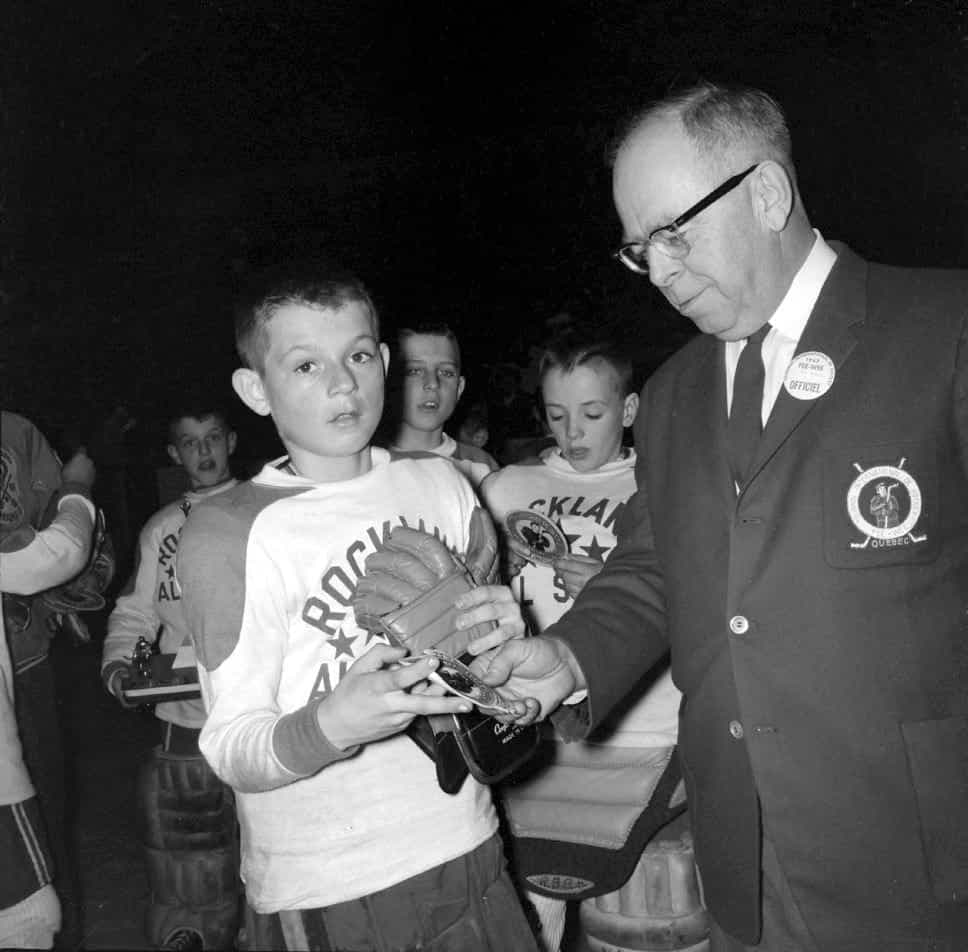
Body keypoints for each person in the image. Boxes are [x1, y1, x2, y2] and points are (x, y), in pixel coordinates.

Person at [477, 81, 968, 951]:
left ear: (768, 193)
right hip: (741, 856)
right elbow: (660, 566)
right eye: (639, 251)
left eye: (675, 233)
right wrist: (568, 655)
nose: (660, 273)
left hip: (920, 854)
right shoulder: (672, 394)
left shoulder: (943, 329)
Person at [176, 263, 538, 951]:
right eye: (306, 365)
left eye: (359, 355)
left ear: (386, 363)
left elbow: (488, 680)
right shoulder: (229, 532)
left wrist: (504, 657)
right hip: (332, 884)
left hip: (468, 842)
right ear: (256, 389)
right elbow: (230, 745)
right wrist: (332, 723)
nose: (343, 383)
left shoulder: (444, 485)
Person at [480, 334, 684, 951]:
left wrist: (616, 588)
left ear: (628, 410)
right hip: (533, 744)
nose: (573, 431)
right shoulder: (502, 489)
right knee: (529, 929)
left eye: (592, 413)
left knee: (640, 928)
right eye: (557, 414)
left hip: (648, 736)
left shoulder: (665, 487)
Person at [100, 406, 242, 951]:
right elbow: (136, 613)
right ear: (173, 454)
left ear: (230, 441)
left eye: (212, 439)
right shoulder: (162, 527)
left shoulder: (268, 511)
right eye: (189, 443)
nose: (203, 452)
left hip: (268, 719)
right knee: (192, 882)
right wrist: (118, 662)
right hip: (186, 728)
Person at [1, 411, 97, 948]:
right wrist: (79, 488)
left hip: (26, 669)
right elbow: (54, 554)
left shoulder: (18, 433)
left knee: (46, 845)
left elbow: (66, 561)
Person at [388, 322, 498, 488]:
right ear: (391, 382)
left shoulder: (481, 467)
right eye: (414, 371)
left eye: (446, 372)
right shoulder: (367, 463)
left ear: (459, 388)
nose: (432, 383)